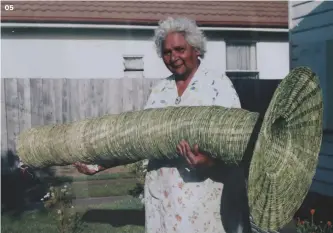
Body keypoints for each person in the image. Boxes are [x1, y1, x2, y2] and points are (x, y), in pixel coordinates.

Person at [74, 17, 251, 233]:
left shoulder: (217, 85)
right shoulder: (160, 91)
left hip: (202, 200)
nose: (173, 57)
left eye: (180, 49)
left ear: (196, 49)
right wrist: (101, 164)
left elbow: (238, 144)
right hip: (163, 199)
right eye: (167, 52)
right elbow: (141, 140)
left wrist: (209, 161)